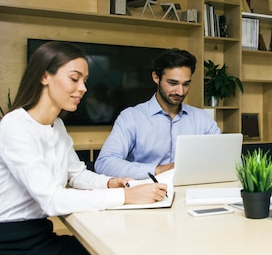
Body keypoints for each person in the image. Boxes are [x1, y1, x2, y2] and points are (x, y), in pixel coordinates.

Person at [0, 41, 166, 255]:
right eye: (74, 79)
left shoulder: (57, 126)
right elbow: (52, 199)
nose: (83, 88)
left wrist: (109, 183)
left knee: (120, 248)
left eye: (85, 80)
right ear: (45, 76)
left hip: (39, 236)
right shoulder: (15, 126)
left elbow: (76, 175)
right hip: (8, 252)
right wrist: (125, 197)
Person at [94, 48, 220, 179]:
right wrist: (157, 170)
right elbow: (104, 163)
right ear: (156, 77)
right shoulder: (131, 117)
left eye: (186, 84)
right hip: (146, 194)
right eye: (173, 83)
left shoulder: (203, 119)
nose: (180, 92)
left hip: (193, 193)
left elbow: (230, 161)